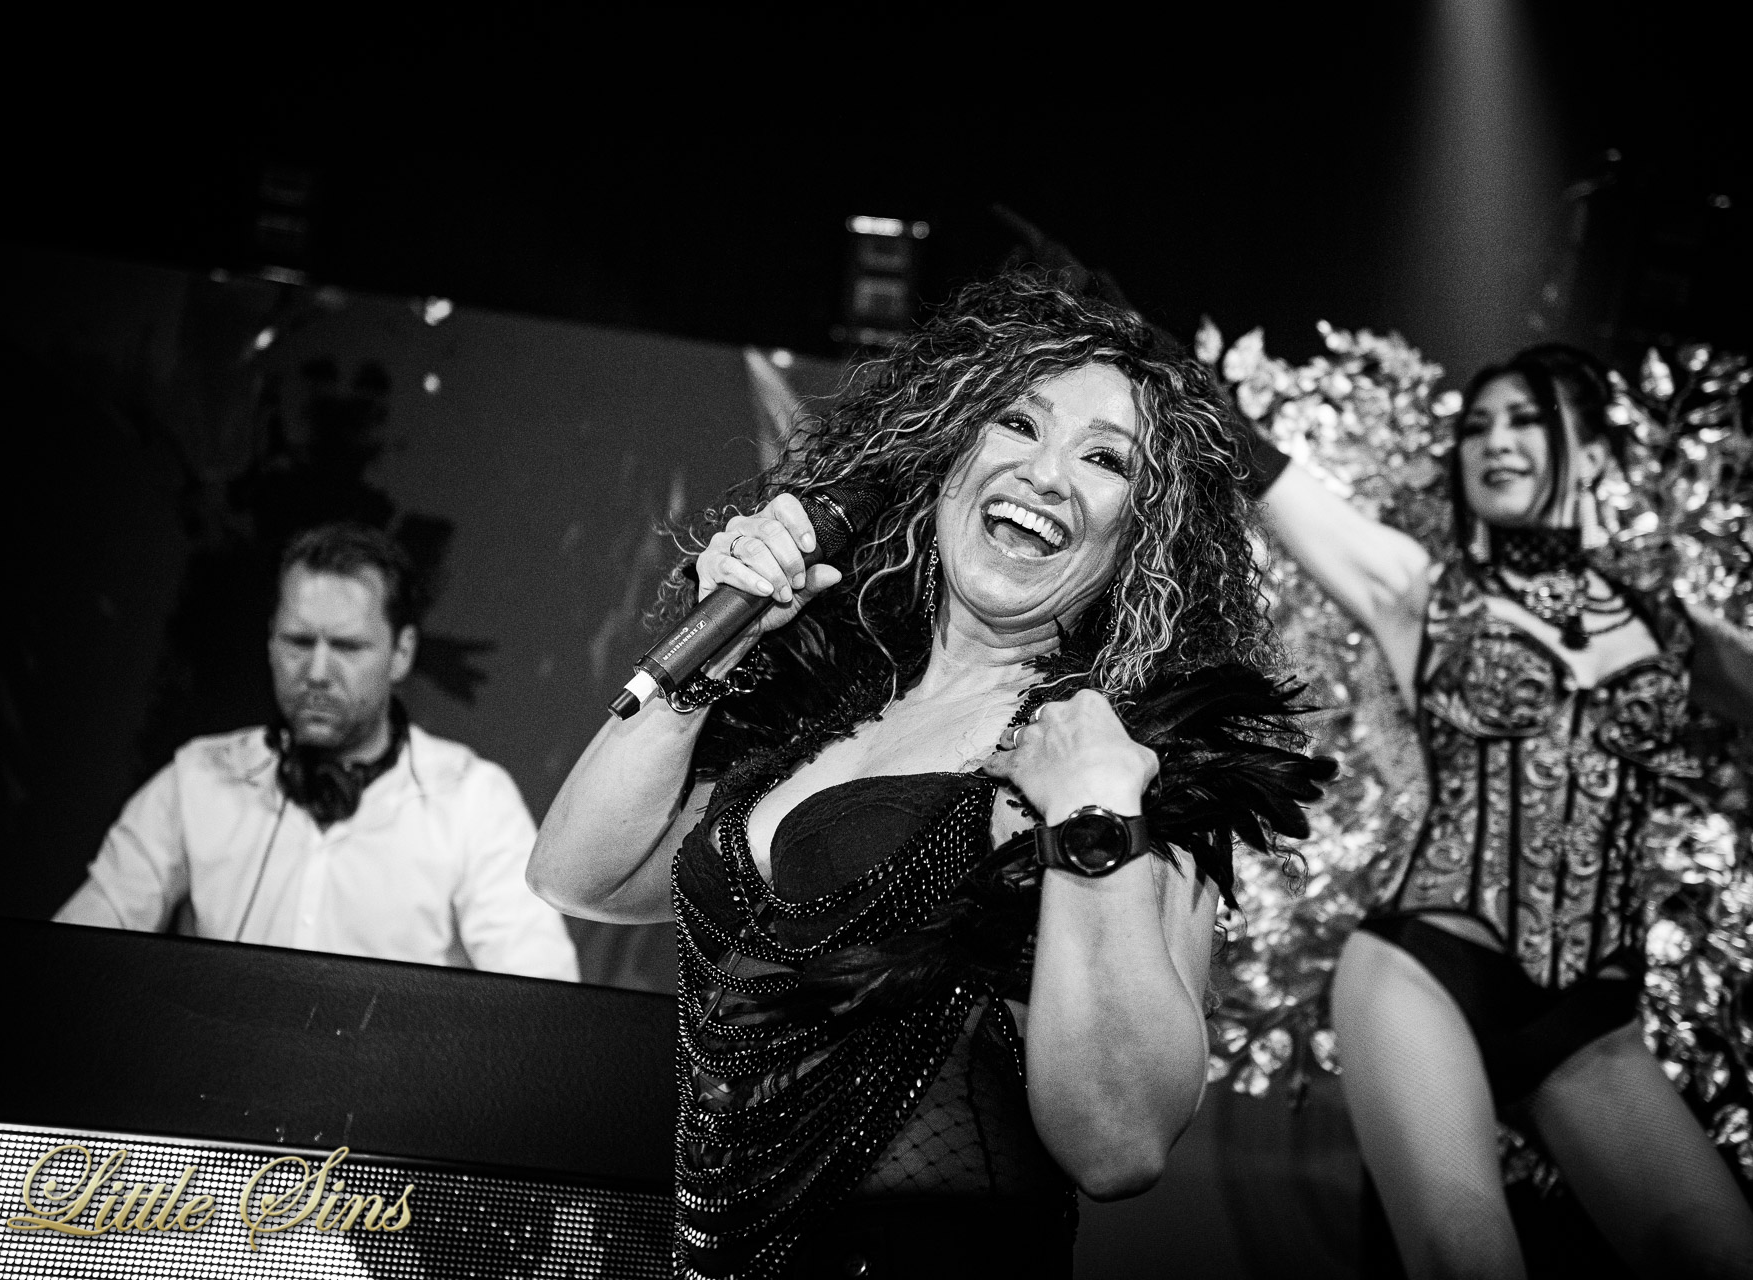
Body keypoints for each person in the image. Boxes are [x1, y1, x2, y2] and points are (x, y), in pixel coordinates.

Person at [529, 272, 1333, 1279]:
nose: (1046, 473)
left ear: (1144, 534)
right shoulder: (825, 719)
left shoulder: (1122, 755)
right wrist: (717, 649)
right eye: (1017, 424)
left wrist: (1093, 812)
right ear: (948, 453)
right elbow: (579, 873)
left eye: (1104, 459)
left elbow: (1120, 1143)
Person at [1253, 344, 1753, 1279]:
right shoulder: (1424, 592)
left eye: (1525, 419)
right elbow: (1267, 474)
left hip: (1593, 1025)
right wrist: (1141, 346)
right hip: (1427, 971)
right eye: (1477, 426)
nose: (1494, 441)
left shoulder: (1668, 631)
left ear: (1596, 449)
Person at [56, 522, 579, 981]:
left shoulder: (472, 800)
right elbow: (70, 955)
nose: (317, 672)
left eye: (347, 647)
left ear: (401, 653)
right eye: (298, 642)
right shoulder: (197, 779)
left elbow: (543, 998)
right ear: (269, 641)